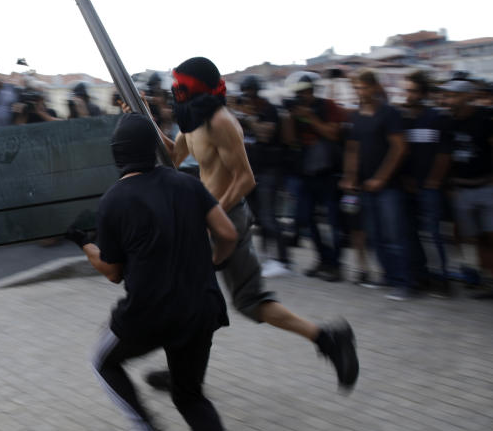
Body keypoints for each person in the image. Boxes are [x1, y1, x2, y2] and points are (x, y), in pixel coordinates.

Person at [68, 112, 250, 431]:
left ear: (117, 154)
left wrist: (84, 244)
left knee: (102, 360)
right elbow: (228, 233)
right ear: (152, 150)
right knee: (190, 396)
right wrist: (212, 264)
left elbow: (113, 273)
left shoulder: (113, 200)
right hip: (199, 307)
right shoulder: (187, 184)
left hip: (149, 313)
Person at [146, 57, 358, 394]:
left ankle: (185, 374)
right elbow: (172, 157)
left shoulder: (221, 122)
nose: (175, 90)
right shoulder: (192, 121)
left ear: (197, 87)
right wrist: (145, 120)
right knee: (208, 298)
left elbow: (245, 179)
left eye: (181, 85)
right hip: (210, 221)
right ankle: (328, 338)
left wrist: (212, 213)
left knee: (224, 299)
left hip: (227, 220)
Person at [341, 70, 411, 300]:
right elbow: (353, 148)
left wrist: (382, 177)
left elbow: (399, 148)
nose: (360, 92)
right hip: (364, 186)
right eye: (357, 88)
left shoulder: (389, 114)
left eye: (363, 88)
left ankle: (405, 282)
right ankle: (389, 277)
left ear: (374, 87)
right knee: (376, 235)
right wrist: (350, 176)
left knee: (395, 236)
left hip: (388, 187)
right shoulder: (357, 116)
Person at [442, 79, 493, 300]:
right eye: (447, 96)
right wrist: (450, 182)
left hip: (487, 185)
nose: (448, 101)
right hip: (462, 188)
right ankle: (489, 283)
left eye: (453, 96)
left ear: (467, 96)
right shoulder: (449, 123)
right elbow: (446, 155)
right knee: (477, 237)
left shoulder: (484, 118)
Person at [285, 73, 345, 281]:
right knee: (306, 220)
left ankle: (335, 265)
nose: (302, 96)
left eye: (304, 92)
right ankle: (323, 259)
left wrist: (310, 117)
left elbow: (333, 134)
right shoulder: (297, 111)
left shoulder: (328, 106)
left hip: (329, 173)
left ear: (311, 90)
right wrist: (292, 117)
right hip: (307, 173)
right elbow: (291, 140)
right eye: (299, 93)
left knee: (334, 221)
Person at [401, 71, 452, 296]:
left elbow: (444, 153)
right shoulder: (403, 119)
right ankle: (421, 275)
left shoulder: (438, 118)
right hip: (409, 186)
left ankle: (442, 278)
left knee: (433, 233)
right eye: (407, 91)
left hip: (430, 187)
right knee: (411, 233)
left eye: (412, 91)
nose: (408, 95)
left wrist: (433, 181)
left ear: (422, 93)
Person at [237, 75, 290, 276]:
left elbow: (264, 135)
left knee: (269, 217)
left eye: (249, 93)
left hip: (270, 171)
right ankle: (269, 257)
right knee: (258, 218)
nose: (247, 98)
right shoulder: (248, 113)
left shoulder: (270, 110)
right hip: (253, 170)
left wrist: (249, 117)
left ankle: (282, 260)